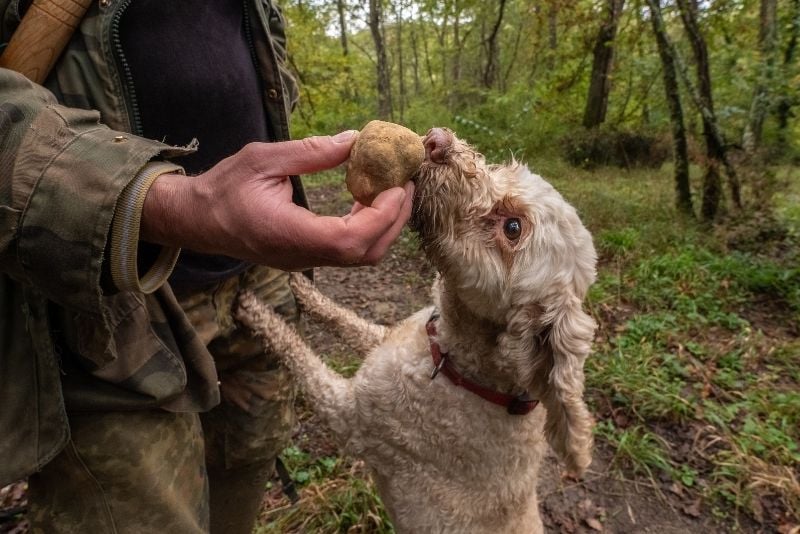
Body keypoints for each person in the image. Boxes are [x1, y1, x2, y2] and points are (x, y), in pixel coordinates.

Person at [0, 1, 414, 533]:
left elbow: (263, 58)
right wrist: (169, 204)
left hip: (258, 285)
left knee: (242, 474)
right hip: (104, 313)